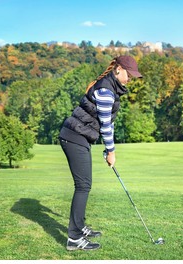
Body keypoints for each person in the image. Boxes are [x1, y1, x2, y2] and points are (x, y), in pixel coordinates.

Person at [59, 56, 142, 251]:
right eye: (129, 74)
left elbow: (109, 123)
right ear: (119, 69)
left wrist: (107, 149)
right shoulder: (106, 90)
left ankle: (80, 227)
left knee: (84, 185)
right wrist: (111, 151)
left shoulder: (111, 87)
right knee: (83, 186)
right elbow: (105, 125)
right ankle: (74, 238)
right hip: (74, 137)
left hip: (78, 137)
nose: (130, 78)